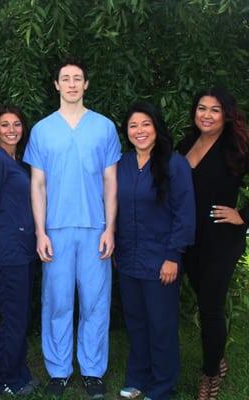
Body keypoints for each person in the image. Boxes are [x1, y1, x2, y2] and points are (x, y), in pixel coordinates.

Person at [23, 57, 121, 399]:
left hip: (95, 228)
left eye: (78, 78)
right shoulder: (42, 129)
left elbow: (111, 182)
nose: (72, 84)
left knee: (96, 302)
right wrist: (40, 232)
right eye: (65, 78)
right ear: (56, 85)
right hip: (56, 229)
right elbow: (38, 185)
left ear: (86, 84)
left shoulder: (104, 127)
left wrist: (110, 228)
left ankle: (93, 372)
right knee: (58, 301)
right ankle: (59, 371)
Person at [116, 102, 195, 400]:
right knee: (136, 322)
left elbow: (184, 214)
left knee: (161, 325)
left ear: (156, 128)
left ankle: (162, 387)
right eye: (133, 126)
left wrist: (173, 256)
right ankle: (138, 377)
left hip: (161, 260)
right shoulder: (123, 164)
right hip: (128, 259)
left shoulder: (174, 164)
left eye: (145, 124)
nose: (139, 131)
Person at [177, 87, 249, 400]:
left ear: (226, 115)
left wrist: (243, 215)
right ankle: (216, 357)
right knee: (205, 302)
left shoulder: (236, 146)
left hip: (221, 238)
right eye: (201, 108)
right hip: (191, 239)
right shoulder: (185, 143)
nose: (206, 114)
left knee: (210, 307)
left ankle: (209, 375)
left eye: (215, 109)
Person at [0, 105, 38, 396]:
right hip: (7, 249)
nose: (11, 130)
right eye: (5, 125)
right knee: (14, 317)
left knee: (21, 316)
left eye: (16, 124)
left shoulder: (20, 161)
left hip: (24, 249)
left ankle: (19, 371)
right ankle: (2, 380)